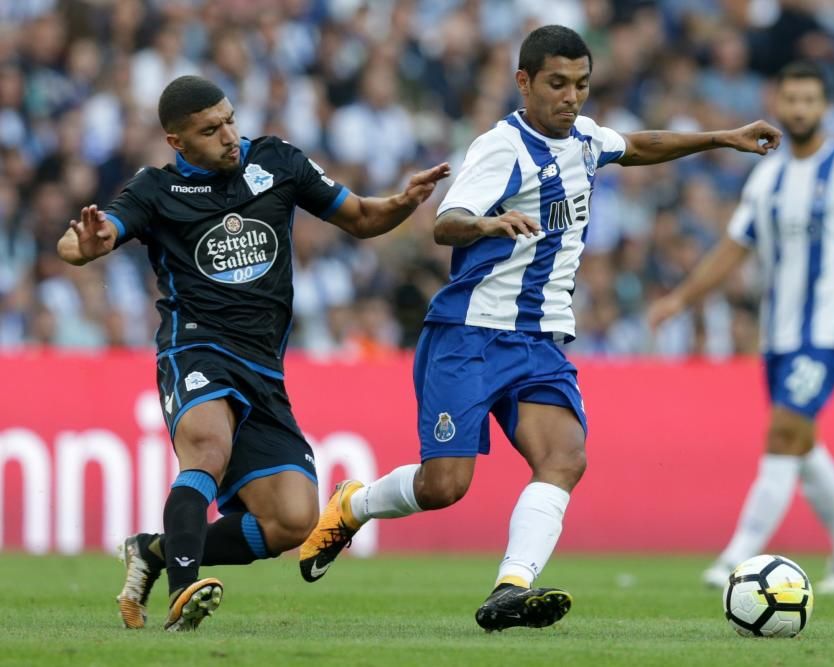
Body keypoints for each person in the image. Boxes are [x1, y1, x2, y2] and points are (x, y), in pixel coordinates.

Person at [297, 25, 781, 631]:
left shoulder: (582, 139)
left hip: (539, 338)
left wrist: (721, 138)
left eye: (581, 84)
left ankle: (511, 585)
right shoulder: (502, 148)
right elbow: (446, 223)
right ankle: (355, 504)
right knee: (445, 486)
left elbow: (636, 144)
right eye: (557, 84)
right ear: (524, 82)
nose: (571, 97)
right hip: (470, 334)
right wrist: (488, 225)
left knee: (565, 457)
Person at [55, 75, 449, 631]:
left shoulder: (277, 162)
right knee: (208, 450)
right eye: (210, 130)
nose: (229, 135)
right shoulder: (155, 190)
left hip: (263, 367)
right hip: (194, 348)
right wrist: (85, 244)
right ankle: (181, 591)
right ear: (177, 141)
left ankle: (155, 551)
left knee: (292, 518)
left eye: (230, 120)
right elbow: (82, 242)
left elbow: (361, 217)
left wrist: (403, 202)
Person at [647, 61, 834, 594]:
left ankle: (738, 555)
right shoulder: (768, 177)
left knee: (784, 432)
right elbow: (733, 248)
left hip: (825, 333)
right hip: (777, 336)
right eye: (792, 99)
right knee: (801, 442)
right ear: (778, 104)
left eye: (810, 99)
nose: (800, 109)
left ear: (823, 106)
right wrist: (680, 298)